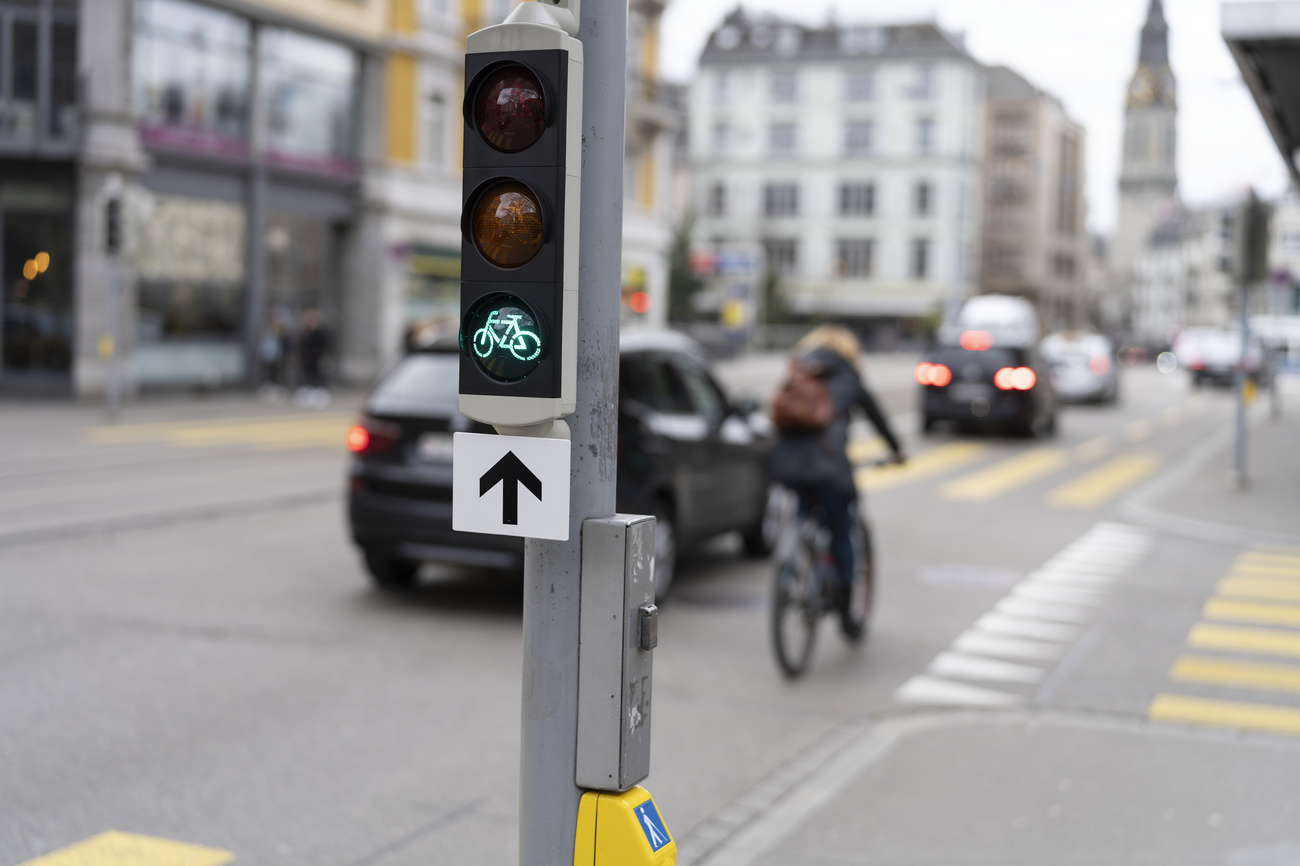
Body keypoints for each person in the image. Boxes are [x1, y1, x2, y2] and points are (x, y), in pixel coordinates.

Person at [769, 326, 905, 606]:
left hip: (787, 464)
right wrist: (896, 450)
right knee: (841, 527)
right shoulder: (848, 376)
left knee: (803, 510)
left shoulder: (799, 371)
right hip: (829, 468)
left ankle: (792, 565)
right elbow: (876, 418)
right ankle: (844, 597)